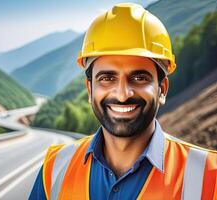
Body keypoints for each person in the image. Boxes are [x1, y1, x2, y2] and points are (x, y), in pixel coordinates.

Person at [29, 3, 217, 200]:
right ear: (90, 89)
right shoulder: (54, 169)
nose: (122, 94)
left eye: (139, 78)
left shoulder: (209, 175)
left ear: (162, 89)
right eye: (107, 78)